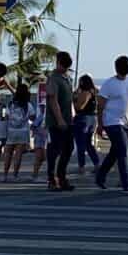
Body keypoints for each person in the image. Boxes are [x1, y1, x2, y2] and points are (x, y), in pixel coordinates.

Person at [96, 55, 128, 193]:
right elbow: (100, 105)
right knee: (123, 151)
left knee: (115, 153)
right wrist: (100, 123)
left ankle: (100, 176)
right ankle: (126, 184)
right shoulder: (109, 84)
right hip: (112, 122)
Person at [44, 50, 75, 190]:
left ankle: (61, 176)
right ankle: (52, 179)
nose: (65, 69)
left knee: (68, 148)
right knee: (54, 149)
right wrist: (59, 119)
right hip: (56, 121)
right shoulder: (53, 78)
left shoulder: (66, 78)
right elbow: (52, 100)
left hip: (68, 120)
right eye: (63, 66)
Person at [2, 83, 35, 181]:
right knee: (18, 154)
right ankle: (15, 175)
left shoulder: (11, 104)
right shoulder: (28, 105)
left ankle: (5, 175)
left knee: (8, 153)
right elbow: (33, 117)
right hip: (23, 131)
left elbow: (6, 117)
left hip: (11, 131)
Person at [72, 75, 101, 173]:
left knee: (81, 143)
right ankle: (96, 163)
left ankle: (81, 166)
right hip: (92, 119)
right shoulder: (94, 92)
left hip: (83, 118)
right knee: (88, 143)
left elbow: (79, 107)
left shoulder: (86, 93)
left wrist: (73, 101)